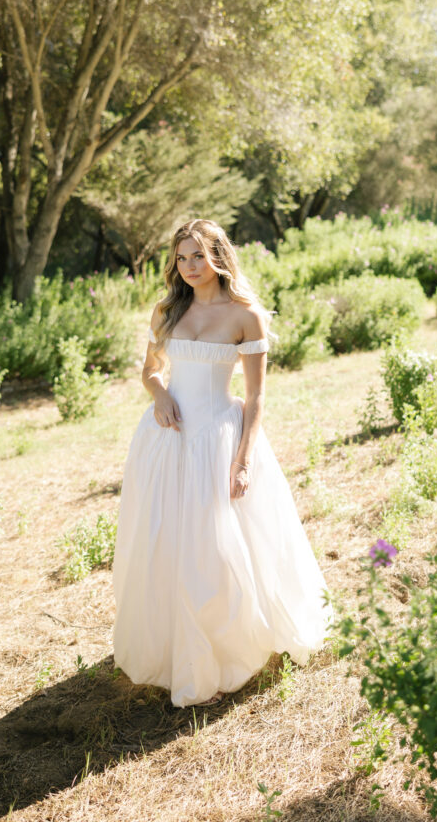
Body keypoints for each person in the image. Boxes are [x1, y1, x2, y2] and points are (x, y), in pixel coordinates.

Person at [112, 219, 331, 707]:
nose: (189, 266)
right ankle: (177, 650)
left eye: (198, 256)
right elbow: (150, 370)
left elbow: (256, 398)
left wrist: (243, 460)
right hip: (167, 438)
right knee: (166, 539)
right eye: (181, 257)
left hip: (217, 439)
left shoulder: (244, 315)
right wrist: (159, 394)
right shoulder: (167, 310)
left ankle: (223, 649)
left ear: (218, 256)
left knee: (213, 544)